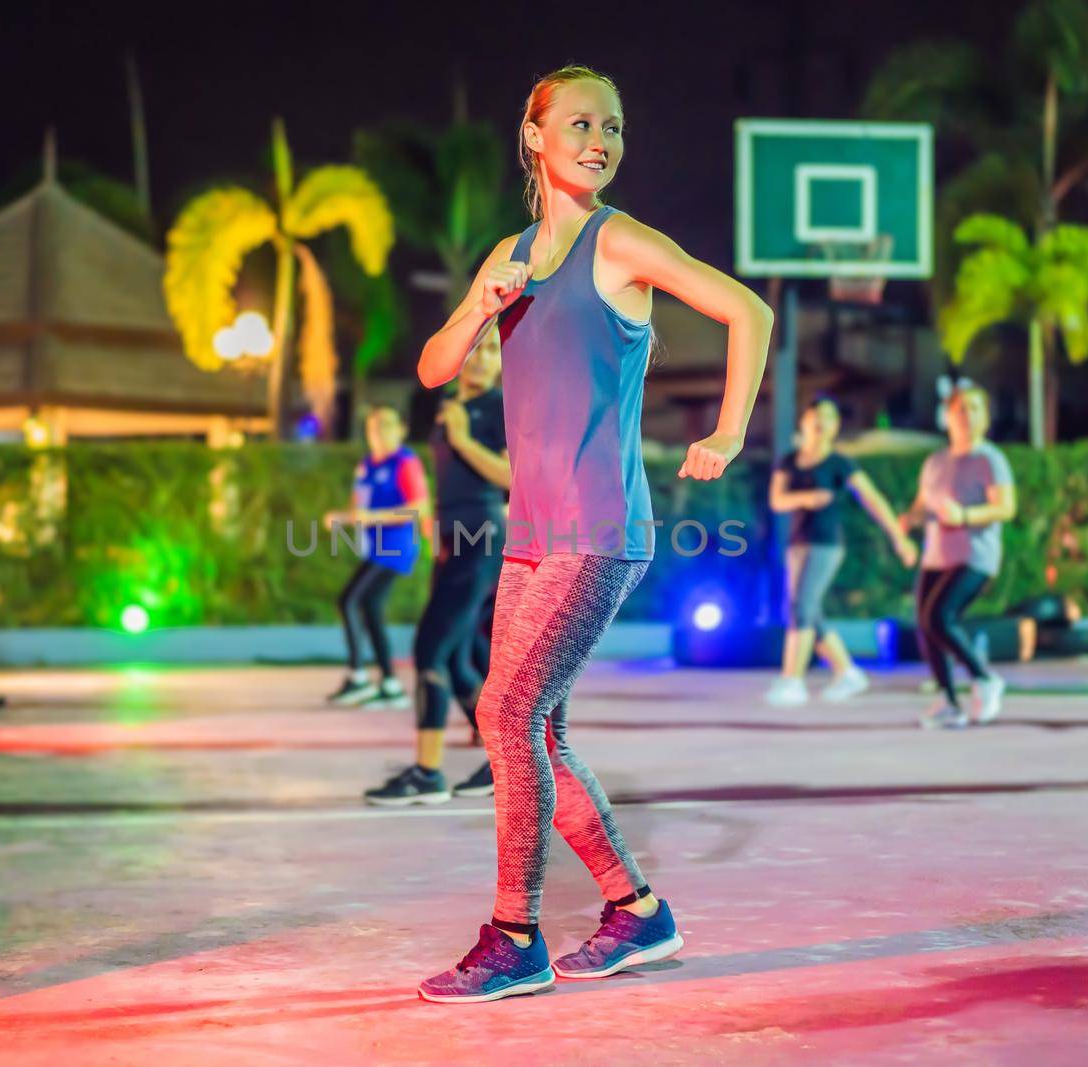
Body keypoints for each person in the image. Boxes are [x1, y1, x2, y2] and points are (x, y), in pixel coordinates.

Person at [412, 65, 771, 1003]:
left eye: (611, 126)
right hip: (530, 533)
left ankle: (515, 932)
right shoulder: (515, 252)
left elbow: (748, 309)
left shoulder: (621, 244)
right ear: (533, 137)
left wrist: (728, 430)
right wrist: (481, 301)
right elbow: (435, 366)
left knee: (504, 714)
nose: (599, 140)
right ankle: (637, 913)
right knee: (540, 729)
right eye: (578, 124)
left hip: (599, 527)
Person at [364, 333, 509, 805]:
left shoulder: (498, 409)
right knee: (458, 655)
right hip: (453, 540)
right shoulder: (448, 403)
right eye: (476, 348)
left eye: (492, 350)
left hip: (482, 539)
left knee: (431, 648)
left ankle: (428, 774)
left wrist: (464, 439)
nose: (482, 359)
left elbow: (512, 476)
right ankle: (504, 760)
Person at [765, 396, 918, 706]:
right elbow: (777, 500)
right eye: (816, 416)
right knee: (803, 610)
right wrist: (807, 498)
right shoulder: (790, 460)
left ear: (835, 427)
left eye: (829, 417)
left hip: (826, 544)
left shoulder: (840, 463)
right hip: (798, 542)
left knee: (803, 606)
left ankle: (792, 680)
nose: (821, 422)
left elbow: (872, 499)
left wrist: (899, 538)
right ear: (804, 422)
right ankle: (847, 671)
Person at [902, 385, 1016, 729]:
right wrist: (910, 520)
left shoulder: (990, 459)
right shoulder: (935, 461)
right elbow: (922, 506)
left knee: (939, 617)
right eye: (960, 409)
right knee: (925, 625)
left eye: (975, 408)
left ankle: (985, 678)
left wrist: (964, 516)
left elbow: (1006, 508)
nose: (967, 415)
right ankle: (947, 701)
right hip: (936, 556)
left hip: (975, 556)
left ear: (986, 417)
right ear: (947, 417)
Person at [323, 407, 428, 709]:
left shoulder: (405, 462)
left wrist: (373, 517)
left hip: (395, 548)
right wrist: (344, 517)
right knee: (369, 606)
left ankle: (358, 676)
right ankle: (390, 684)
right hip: (374, 547)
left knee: (349, 600)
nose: (379, 433)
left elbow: (418, 508)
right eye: (373, 428)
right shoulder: (367, 465)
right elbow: (360, 510)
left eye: (386, 426)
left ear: (400, 430)